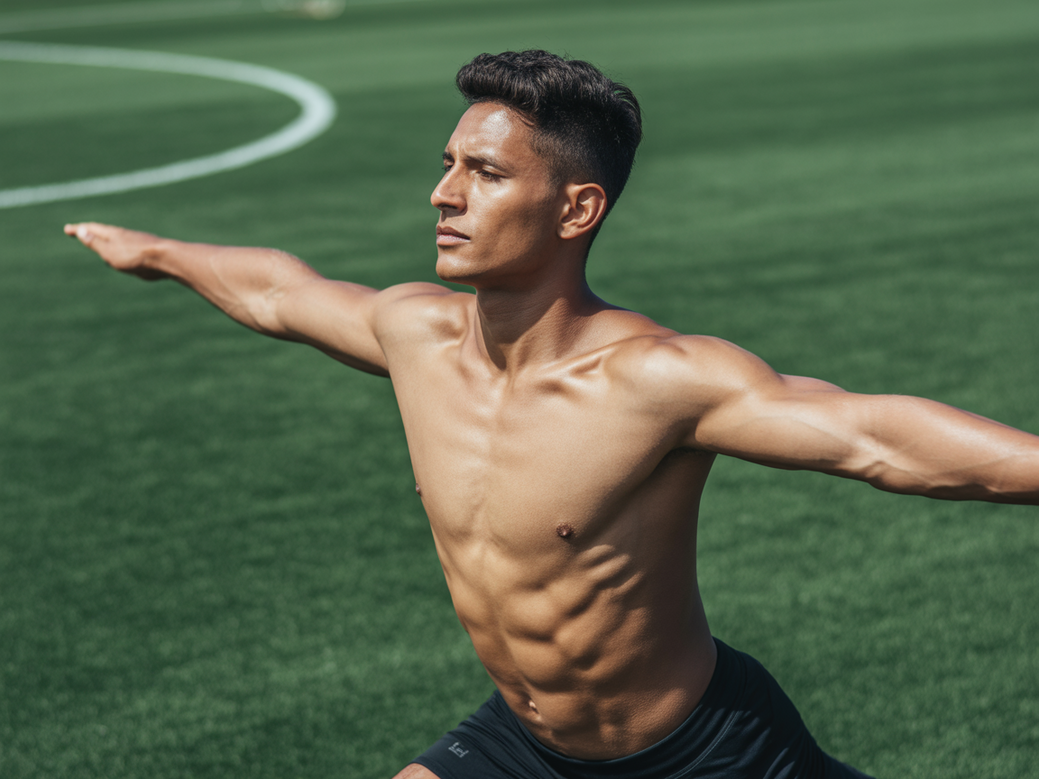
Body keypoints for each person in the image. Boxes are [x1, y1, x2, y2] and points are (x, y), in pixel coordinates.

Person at [65, 50, 1037, 779]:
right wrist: (155, 252)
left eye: (485, 174)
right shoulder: (413, 333)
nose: (443, 194)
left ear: (575, 210)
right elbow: (280, 291)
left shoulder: (654, 380)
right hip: (525, 738)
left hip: (702, 748)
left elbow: (873, 439)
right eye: (448, 163)